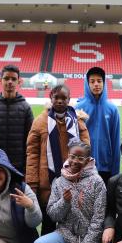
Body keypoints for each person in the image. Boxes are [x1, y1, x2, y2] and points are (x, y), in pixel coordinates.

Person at [26, 84, 90, 235]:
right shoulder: (40, 121)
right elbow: (32, 154)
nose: (60, 101)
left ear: (69, 100)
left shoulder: (77, 122)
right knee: (48, 224)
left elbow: (86, 153)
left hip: (72, 183)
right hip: (47, 184)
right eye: (57, 97)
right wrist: (32, 184)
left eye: (64, 98)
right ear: (50, 98)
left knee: (70, 223)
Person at [0, 65, 34, 174]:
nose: (10, 82)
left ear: (19, 82)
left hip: (18, 165)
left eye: (13, 79)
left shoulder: (26, 107)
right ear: (0, 80)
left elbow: (31, 139)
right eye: (6, 78)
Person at [75, 66, 120, 186]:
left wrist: (115, 172)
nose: (96, 84)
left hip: (105, 168)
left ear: (104, 83)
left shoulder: (112, 109)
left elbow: (115, 141)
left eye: (99, 81)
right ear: (87, 83)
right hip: (83, 165)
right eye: (92, 81)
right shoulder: (78, 108)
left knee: (104, 203)